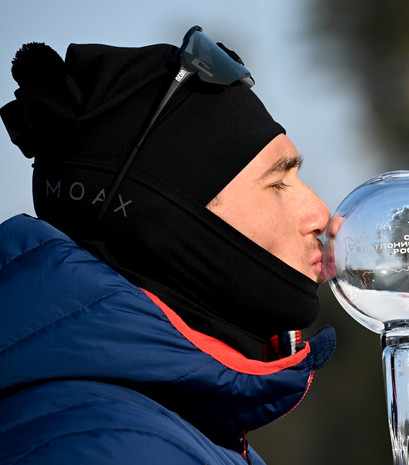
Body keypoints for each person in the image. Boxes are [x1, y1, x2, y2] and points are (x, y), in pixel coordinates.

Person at [0, 26, 335, 464]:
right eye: (277, 182)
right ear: (168, 221)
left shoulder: (180, 427)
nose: (320, 212)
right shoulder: (113, 448)